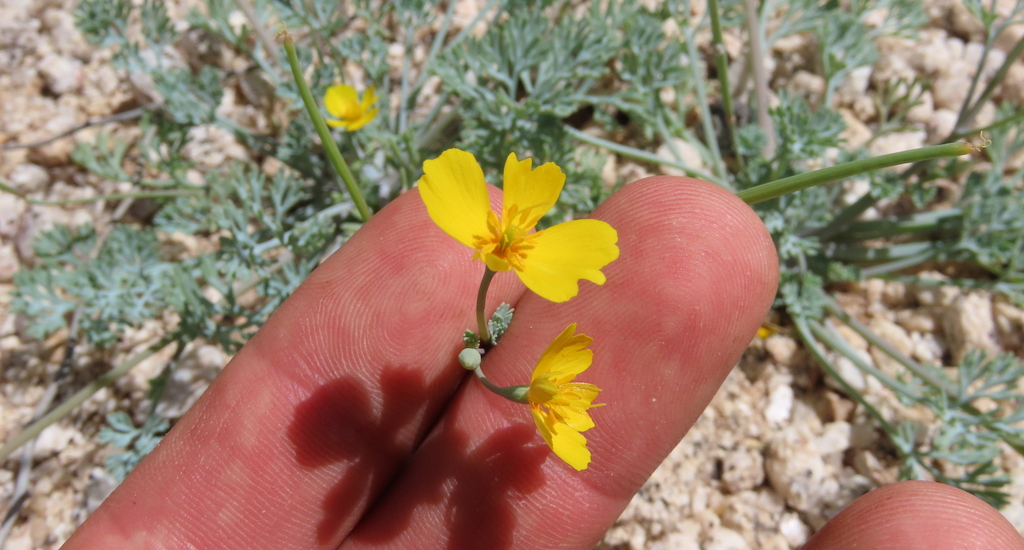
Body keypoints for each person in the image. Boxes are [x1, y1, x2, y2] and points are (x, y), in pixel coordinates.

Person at [63, 177, 1023, 549]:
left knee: (687, 256)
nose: (512, 244)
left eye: (516, 240)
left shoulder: (514, 280)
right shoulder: (487, 252)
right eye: (510, 242)